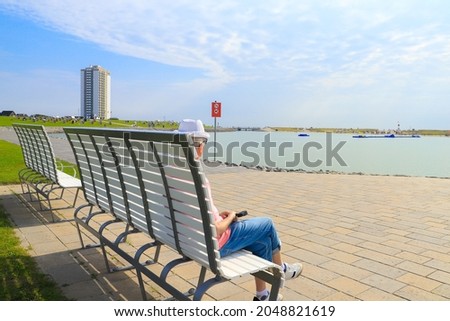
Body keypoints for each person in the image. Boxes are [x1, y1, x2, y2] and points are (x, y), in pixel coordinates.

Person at [177, 119, 303, 301]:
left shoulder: (171, 173)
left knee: (262, 242)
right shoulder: (195, 177)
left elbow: (192, 214)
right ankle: (281, 269)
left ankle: (263, 296)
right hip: (212, 245)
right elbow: (217, 230)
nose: (204, 147)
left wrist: (217, 215)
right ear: (198, 145)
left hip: (188, 241)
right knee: (267, 224)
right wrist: (231, 217)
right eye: (203, 143)